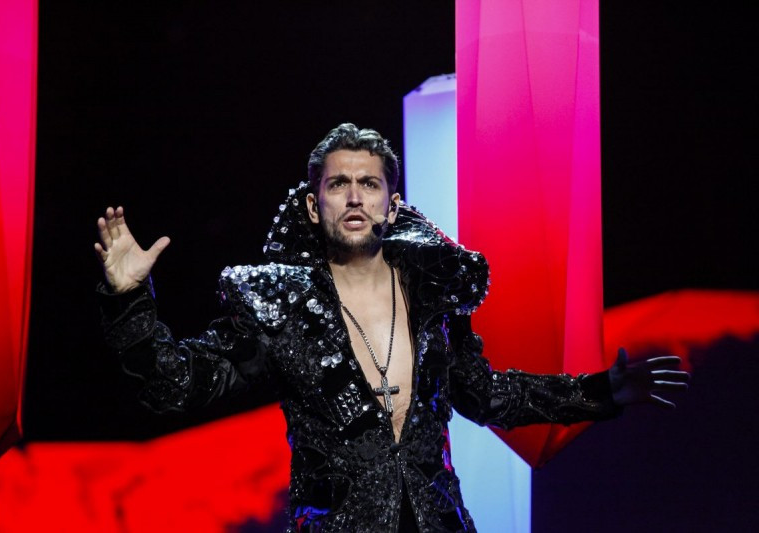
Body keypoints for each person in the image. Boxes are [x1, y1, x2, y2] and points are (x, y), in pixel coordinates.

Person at [95, 123, 689, 532]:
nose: (354, 197)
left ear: (392, 203)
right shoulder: (279, 309)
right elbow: (174, 385)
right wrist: (128, 299)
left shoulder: (434, 297)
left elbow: (486, 395)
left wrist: (599, 392)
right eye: (338, 184)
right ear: (314, 205)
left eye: (369, 184)